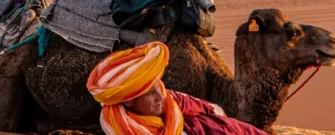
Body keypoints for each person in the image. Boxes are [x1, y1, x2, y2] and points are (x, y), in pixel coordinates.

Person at [86, 41, 266, 135]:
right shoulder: (117, 125)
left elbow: (212, 111)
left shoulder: (172, 100)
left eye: (159, 86)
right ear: (129, 100)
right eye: (149, 92)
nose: (160, 96)